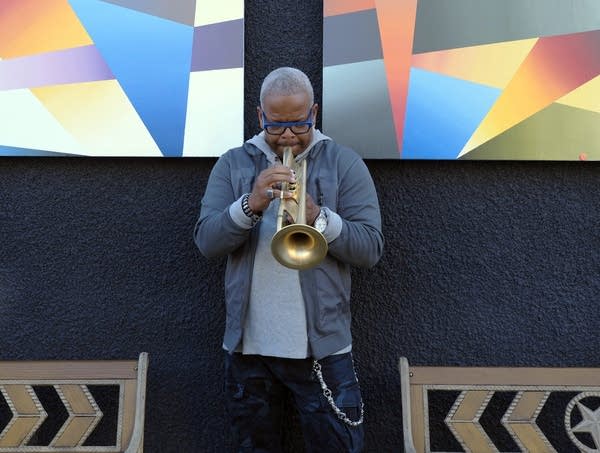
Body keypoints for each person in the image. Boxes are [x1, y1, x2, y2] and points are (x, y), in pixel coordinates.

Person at [194, 66, 383, 452]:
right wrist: (251, 203)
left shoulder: (343, 164)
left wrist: (317, 217)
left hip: (323, 351)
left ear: (314, 112)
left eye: (298, 125)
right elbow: (207, 242)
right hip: (248, 353)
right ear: (260, 115)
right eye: (277, 125)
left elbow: (370, 248)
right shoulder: (232, 164)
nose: (287, 137)